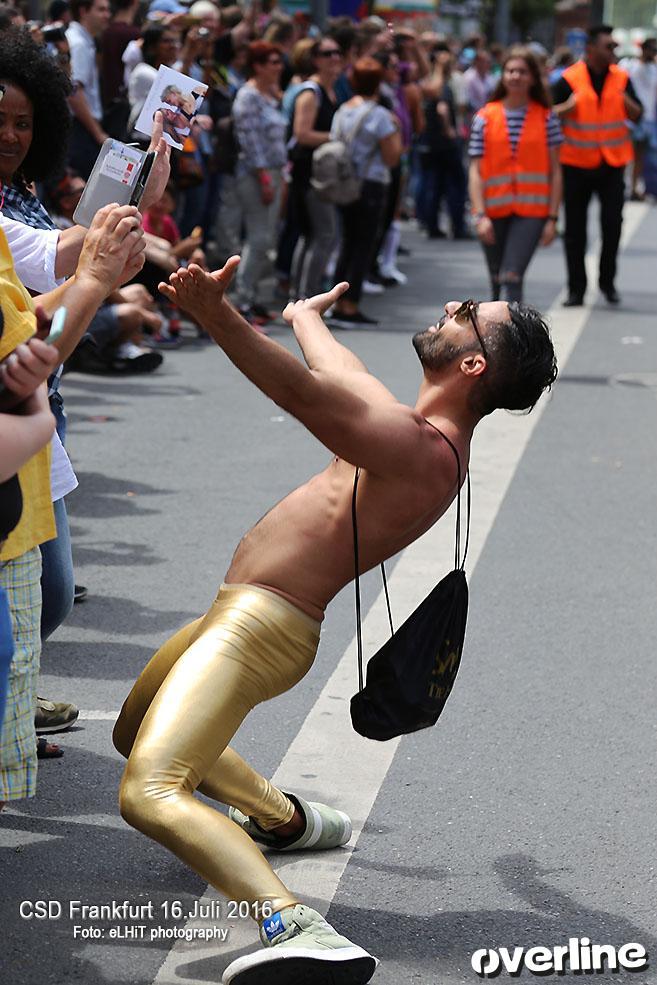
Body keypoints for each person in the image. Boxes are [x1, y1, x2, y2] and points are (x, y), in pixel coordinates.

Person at [113, 255, 558, 985]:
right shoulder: (412, 430)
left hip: (259, 628)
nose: (451, 301)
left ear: (473, 362)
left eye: (468, 310)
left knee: (149, 788)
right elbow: (339, 373)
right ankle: (286, 819)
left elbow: (303, 393)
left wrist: (217, 314)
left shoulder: (418, 449)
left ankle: (297, 927)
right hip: (238, 613)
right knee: (135, 731)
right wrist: (303, 317)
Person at [552, 24, 643, 306]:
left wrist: (626, 101)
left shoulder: (622, 78)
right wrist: (566, 108)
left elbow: (638, 114)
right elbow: (546, 114)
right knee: (575, 231)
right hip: (576, 164)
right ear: (590, 49)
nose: (613, 51)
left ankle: (607, 283)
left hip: (612, 164)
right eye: (608, 46)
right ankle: (576, 289)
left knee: (612, 226)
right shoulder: (568, 79)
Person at [469, 46, 563, 303]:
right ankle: (495, 338)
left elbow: (556, 171)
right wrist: (479, 215)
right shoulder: (485, 117)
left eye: (522, 71)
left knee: (512, 276)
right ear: (503, 76)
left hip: (532, 212)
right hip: (492, 210)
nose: (515, 76)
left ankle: (517, 339)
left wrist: (553, 218)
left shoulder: (546, 118)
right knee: (496, 280)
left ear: (533, 77)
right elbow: (475, 171)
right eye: (510, 71)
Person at [328, 57, 401, 327]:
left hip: (345, 181)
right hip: (370, 183)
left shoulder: (342, 110)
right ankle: (350, 304)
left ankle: (335, 300)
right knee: (363, 245)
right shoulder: (380, 115)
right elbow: (392, 157)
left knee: (347, 242)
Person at [231, 40, 288, 323]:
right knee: (258, 237)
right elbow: (249, 140)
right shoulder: (248, 96)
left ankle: (252, 296)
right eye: (272, 62)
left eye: (279, 62)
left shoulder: (269, 95)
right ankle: (243, 299)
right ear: (258, 66)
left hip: (275, 171)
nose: (278, 67)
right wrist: (264, 176)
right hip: (256, 174)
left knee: (267, 237)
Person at [288, 37, 341, 298]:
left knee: (313, 235)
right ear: (315, 59)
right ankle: (306, 297)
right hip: (309, 174)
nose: (334, 58)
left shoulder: (331, 90)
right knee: (323, 234)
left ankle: (300, 295)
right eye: (327, 53)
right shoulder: (311, 92)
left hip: (323, 173)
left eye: (337, 53)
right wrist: (338, 137)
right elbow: (302, 134)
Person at [66, 0, 112, 178]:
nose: (107, 15)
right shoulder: (79, 44)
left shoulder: (83, 40)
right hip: (80, 129)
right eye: (101, 10)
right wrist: (98, 133)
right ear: (83, 11)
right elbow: (74, 92)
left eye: (108, 10)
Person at [625, 38, 657, 200]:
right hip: (631, 118)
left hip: (649, 118)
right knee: (626, 154)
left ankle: (635, 187)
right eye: (652, 49)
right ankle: (628, 186)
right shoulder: (629, 66)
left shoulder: (654, 69)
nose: (654, 52)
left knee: (641, 155)